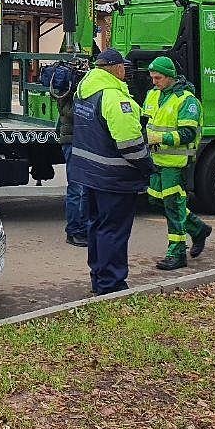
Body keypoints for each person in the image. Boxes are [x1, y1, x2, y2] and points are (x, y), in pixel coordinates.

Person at [68, 48, 154, 295]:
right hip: (115, 177)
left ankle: (99, 278)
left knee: (97, 227)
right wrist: (148, 165)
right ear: (116, 69)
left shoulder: (85, 91)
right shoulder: (115, 98)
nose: (125, 72)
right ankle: (112, 285)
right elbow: (129, 144)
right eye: (123, 68)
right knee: (113, 232)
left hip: (91, 175)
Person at [142, 56, 212, 270]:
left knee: (172, 205)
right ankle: (198, 228)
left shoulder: (187, 100)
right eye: (152, 77)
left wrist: (161, 139)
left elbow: (188, 133)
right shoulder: (152, 95)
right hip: (155, 160)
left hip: (176, 162)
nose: (154, 81)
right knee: (156, 200)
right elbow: (145, 121)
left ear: (170, 77)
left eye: (158, 78)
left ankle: (177, 254)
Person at [53, 61, 89, 247]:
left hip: (74, 142)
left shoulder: (65, 89)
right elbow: (72, 113)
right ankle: (75, 231)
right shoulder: (70, 92)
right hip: (73, 141)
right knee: (77, 189)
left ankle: (80, 229)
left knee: (80, 189)